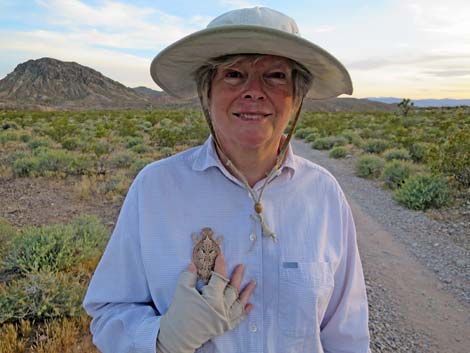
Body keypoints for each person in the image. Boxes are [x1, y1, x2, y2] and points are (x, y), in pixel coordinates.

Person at [83, 6, 370, 353]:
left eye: (276, 75)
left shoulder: (324, 194)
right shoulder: (155, 188)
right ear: (207, 92)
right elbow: (108, 311)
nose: (253, 91)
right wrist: (161, 339)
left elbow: (347, 334)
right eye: (234, 74)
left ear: (297, 97)